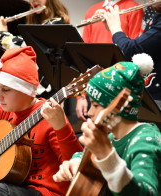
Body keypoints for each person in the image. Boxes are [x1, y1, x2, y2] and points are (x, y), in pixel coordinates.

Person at [0, 46, 83, 196]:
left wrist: (62, 128)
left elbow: (76, 165)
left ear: (26, 90)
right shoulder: (2, 111)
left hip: (45, 192)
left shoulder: (50, 116)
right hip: (10, 185)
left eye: (6, 90)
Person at [53, 53, 161, 195]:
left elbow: (146, 192)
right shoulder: (110, 136)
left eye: (95, 105)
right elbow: (84, 155)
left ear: (118, 107)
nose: (89, 112)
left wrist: (106, 156)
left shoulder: (146, 140)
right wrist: (74, 163)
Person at [0, 0, 69, 98]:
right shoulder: (35, 23)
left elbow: (25, 47)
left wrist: (1, 34)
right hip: (32, 89)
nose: (33, 0)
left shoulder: (57, 23)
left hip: (48, 91)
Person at [76, 0, 144, 121]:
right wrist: (81, 97)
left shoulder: (133, 7)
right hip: (94, 86)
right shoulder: (92, 11)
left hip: (119, 87)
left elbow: (134, 53)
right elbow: (84, 58)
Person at [102, 3, 161, 109]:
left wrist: (115, 27)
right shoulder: (157, 16)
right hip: (150, 94)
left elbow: (131, 51)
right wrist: (112, 27)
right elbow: (140, 50)